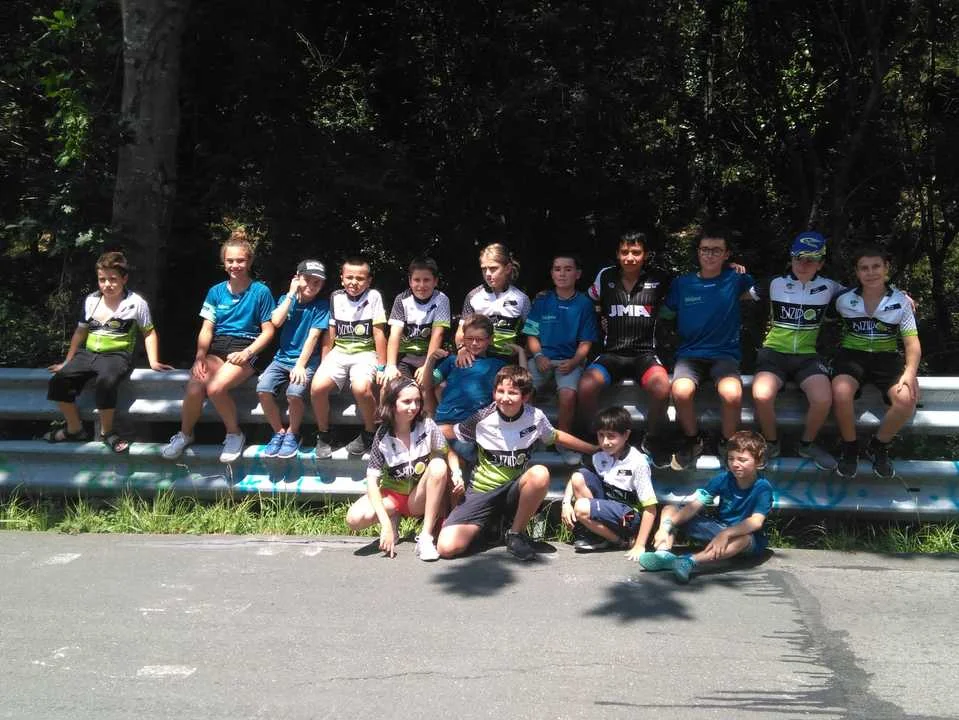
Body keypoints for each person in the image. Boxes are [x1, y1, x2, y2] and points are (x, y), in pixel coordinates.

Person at [436, 365, 599, 561]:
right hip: (482, 490)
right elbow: (449, 432)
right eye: (500, 391)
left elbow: (556, 436)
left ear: (525, 396)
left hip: (514, 490)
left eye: (512, 393)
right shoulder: (482, 418)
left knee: (540, 473)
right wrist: (421, 428)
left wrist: (592, 449)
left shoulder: (535, 417)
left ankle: (515, 534)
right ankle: (492, 527)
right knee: (447, 548)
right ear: (494, 392)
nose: (505, 398)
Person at [162, 229, 275, 463]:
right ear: (224, 262)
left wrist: (247, 353)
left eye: (240, 260)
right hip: (218, 348)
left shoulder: (260, 291)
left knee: (215, 389)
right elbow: (207, 328)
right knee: (195, 387)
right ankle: (185, 434)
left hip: (247, 348)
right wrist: (200, 356)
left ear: (249, 262)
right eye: (230, 260)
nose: (235, 265)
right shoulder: (215, 291)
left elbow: (268, 331)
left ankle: (234, 434)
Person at [46, 251, 172, 453]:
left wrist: (154, 361)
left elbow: (149, 332)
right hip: (88, 354)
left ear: (124, 279)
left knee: (106, 382)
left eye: (113, 279)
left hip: (117, 354)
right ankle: (74, 429)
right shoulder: (91, 300)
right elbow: (80, 332)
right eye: (102, 279)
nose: (107, 284)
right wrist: (67, 362)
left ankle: (107, 432)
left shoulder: (136, 303)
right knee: (59, 381)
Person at [748, 232, 844, 470]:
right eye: (799, 258)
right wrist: (731, 271)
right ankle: (771, 444)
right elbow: (732, 292)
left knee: (823, 399)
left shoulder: (830, 287)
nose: (804, 264)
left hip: (807, 356)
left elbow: (868, 293)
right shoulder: (774, 283)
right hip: (774, 353)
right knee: (761, 395)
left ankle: (807, 444)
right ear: (791, 258)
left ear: (821, 263)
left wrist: (897, 295)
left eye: (811, 259)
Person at [661, 226, 755, 469]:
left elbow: (760, 294)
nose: (710, 255)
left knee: (732, 394)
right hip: (690, 354)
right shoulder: (682, 283)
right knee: (680, 391)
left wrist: (737, 270)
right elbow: (665, 313)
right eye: (705, 249)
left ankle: (728, 443)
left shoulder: (736, 279)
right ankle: (693, 440)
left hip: (724, 355)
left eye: (716, 250)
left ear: (726, 254)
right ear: (698, 252)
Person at [577, 231, 673, 469]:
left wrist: (728, 270)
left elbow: (685, 293)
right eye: (625, 252)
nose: (630, 257)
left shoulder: (660, 278)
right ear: (617, 254)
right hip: (612, 353)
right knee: (586, 386)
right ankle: (595, 441)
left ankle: (653, 440)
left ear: (645, 255)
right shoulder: (605, 276)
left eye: (636, 252)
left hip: (645, 354)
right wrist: (555, 296)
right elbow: (586, 301)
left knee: (662, 387)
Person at [831, 246, 921, 479]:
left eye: (876, 267)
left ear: (886, 268)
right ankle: (850, 447)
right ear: (857, 272)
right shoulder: (842, 299)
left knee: (906, 400)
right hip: (852, 355)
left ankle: (878, 446)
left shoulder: (900, 301)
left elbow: (912, 343)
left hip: (886, 358)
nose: (870, 272)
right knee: (841, 393)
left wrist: (910, 372)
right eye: (864, 268)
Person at [637, 430, 773, 583]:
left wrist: (726, 534)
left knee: (744, 539)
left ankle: (689, 561)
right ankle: (663, 554)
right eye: (731, 458)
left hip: (744, 539)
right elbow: (695, 505)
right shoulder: (723, 479)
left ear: (758, 461)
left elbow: (755, 522)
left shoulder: (763, 488)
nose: (735, 464)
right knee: (671, 509)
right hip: (718, 530)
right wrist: (666, 526)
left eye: (742, 460)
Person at [345, 378, 451, 561]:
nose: (414, 407)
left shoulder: (427, 425)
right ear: (392, 404)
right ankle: (393, 519)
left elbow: (444, 453)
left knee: (439, 465)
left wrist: (456, 474)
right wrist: (385, 524)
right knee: (354, 519)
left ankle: (425, 537)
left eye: (417, 401)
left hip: (418, 498)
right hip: (393, 496)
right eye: (407, 401)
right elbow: (372, 482)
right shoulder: (382, 435)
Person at [523, 252, 600, 465]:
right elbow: (531, 334)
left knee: (567, 395)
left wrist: (574, 361)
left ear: (578, 274)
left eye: (568, 269)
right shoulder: (542, 301)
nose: (562, 274)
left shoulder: (584, 304)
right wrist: (538, 356)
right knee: (523, 391)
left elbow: (586, 342)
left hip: (570, 361)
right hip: (542, 359)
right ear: (552, 273)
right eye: (557, 269)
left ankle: (563, 443)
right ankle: (527, 439)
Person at [310, 256, 387, 457]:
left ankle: (370, 432)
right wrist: (324, 360)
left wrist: (382, 367)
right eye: (349, 277)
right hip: (340, 351)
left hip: (365, 352)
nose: (354, 282)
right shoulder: (336, 297)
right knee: (317, 387)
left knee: (361, 388)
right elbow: (331, 332)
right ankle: (324, 433)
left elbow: (379, 334)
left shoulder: (374, 296)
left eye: (360, 278)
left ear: (368, 281)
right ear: (342, 278)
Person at [255, 259, 331, 459]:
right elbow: (276, 321)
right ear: (297, 278)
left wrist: (300, 365)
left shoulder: (322, 306)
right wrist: (291, 294)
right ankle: (278, 432)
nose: (311, 285)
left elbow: (313, 337)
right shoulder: (285, 300)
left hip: (306, 360)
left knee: (294, 394)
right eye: (307, 279)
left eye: (317, 282)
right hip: (281, 359)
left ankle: (293, 433)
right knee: (263, 389)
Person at [560, 406, 657, 559]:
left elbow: (650, 508)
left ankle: (619, 541)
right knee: (579, 477)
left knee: (581, 507)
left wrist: (640, 545)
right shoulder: (600, 455)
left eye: (611, 436)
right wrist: (566, 503)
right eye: (601, 435)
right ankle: (598, 536)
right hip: (608, 507)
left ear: (626, 435)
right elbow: (575, 477)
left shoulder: (638, 463)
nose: (605, 442)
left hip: (630, 518)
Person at [420, 314, 518, 439]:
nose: (474, 343)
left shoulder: (497, 365)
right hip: (445, 418)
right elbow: (427, 385)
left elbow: (521, 384)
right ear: (463, 338)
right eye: (470, 338)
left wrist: (521, 353)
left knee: (463, 449)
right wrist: (431, 360)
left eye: (480, 339)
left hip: (473, 424)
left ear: (490, 339)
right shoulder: (452, 360)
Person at [456, 243, 531, 362]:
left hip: (508, 361)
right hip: (477, 360)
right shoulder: (473, 296)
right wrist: (462, 348)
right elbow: (461, 331)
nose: (487, 274)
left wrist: (524, 354)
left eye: (493, 268)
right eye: (484, 269)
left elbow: (532, 334)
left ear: (508, 268)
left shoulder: (522, 299)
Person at [382, 257, 451, 385]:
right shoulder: (401, 299)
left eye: (426, 280)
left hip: (430, 356)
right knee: (403, 390)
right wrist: (391, 365)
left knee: (430, 388)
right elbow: (395, 334)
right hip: (405, 357)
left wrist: (427, 366)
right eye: (417, 280)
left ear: (435, 281)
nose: (421, 285)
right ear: (410, 281)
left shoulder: (442, 299)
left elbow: (438, 334)